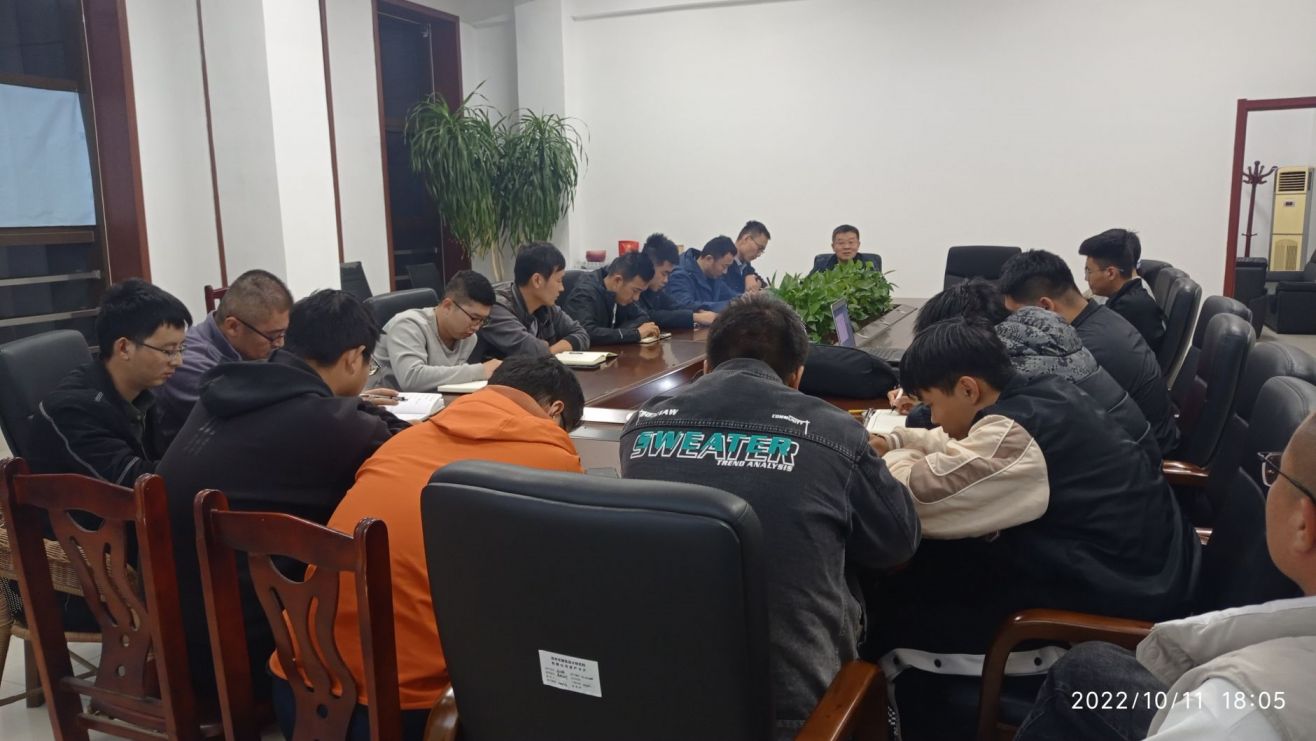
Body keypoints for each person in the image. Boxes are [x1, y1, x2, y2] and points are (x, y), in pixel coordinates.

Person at [868, 319, 1195, 739]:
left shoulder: (1017, 439)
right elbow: (967, 447)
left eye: (932, 404)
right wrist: (899, 442)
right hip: (1140, 574)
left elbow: (911, 499)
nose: (932, 418)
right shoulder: (1042, 392)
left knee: (889, 621)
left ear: (968, 389)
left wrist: (881, 457)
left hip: (1100, 613)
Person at [620, 293, 921, 739]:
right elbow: (897, 544)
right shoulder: (835, 431)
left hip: (662, 696)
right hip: (797, 714)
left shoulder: (641, 426)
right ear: (797, 376)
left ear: (707, 365)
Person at [271, 356, 587, 741]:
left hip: (295, 689)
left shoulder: (403, 440)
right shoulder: (551, 458)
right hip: (415, 712)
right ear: (555, 411)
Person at [158, 288, 408, 704]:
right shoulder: (334, 426)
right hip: (262, 659)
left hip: (176, 640)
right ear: (353, 357)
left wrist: (354, 406)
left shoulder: (228, 389)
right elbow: (407, 453)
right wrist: (358, 411)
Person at [1015, 412, 1316, 741]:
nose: (1270, 483)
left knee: (1076, 675)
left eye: (1274, 470)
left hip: (1223, 701)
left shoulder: (1235, 717)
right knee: (1086, 667)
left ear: (1304, 525)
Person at [895, 279, 1160, 467]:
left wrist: (925, 403)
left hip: (1112, 498)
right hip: (1138, 473)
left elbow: (960, 433)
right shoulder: (1041, 335)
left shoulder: (1015, 374)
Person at [999, 249, 1179, 455]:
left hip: (1146, 456)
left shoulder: (1083, 352)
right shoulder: (1102, 317)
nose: (1012, 325)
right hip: (1143, 441)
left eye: (1015, 316)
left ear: (1045, 308)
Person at [27, 278, 191, 482]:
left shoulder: (141, 391)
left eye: (181, 348)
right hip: (85, 503)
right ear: (124, 348)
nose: (178, 361)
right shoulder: (72, 410)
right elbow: (132, 482)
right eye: (168, 351)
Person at [157, 269, 292, 439]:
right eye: (273, 336)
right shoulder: (189, 363)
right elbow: (249, 427)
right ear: (233, 327)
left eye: (283, 334)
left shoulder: (252, 347)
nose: (280, 344)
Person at [369, 270, 502, 391]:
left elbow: (449, 381)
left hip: (431, 401)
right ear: (448, 306)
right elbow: (411, 379)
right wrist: (480, 371)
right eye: (474, 318)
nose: (476, 327)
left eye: (482, 320)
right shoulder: (408, 324)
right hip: (383, 404)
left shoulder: (468, 338)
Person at [472, 242, 590, 360]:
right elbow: (532, 351)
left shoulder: (546, 306)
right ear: (537, 280)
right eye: (559, 281)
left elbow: (582, 334)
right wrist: (545, 351)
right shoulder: (496, 307)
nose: (562, 288)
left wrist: (549, 351)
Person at [1079, 229, 1165, 352]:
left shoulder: (1128, 307)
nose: (1086, 278)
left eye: (1089, 271)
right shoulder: (1123, 294)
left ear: (1110, 273)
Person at [562, 251, 661, 345]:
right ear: (618, 280)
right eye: (635, 291)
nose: (636, 298)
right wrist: (634, 334)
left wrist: (621, 333)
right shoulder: (584, 292)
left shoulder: (617, 292)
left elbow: (642, 316)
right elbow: (586, 333)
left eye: (640, 292)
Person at [636, 233, 718, 329]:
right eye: (664, 273)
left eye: (668, 275)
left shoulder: (656, 291)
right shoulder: (633, 286)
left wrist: (700, 312)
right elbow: (648, 316)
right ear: (650, 266)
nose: (666, 280)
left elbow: (675, 306)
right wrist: (694, 317)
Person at [665, 236, 739, 312]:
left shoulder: (713, 275)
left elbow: (731, 295)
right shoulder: (679, 275)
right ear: (709, 259)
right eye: (724, 266)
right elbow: (685, 305)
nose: (725, 272)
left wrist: (744, 299)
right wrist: (730, 305)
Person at [809, 224, 881, 275]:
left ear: (858, 245)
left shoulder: (869, 265)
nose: (846, 247)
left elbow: (882, 288)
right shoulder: (822, 264)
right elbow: (807, 286)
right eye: (841, 243)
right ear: (833, 247)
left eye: (851, 242)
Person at [727, 219, 770, 294]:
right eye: (759, 248)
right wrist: (748, 295)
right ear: (746, 239)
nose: (759, 254)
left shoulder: (747, 270)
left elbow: (768, 290)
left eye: (762, 251)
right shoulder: (722, 265)